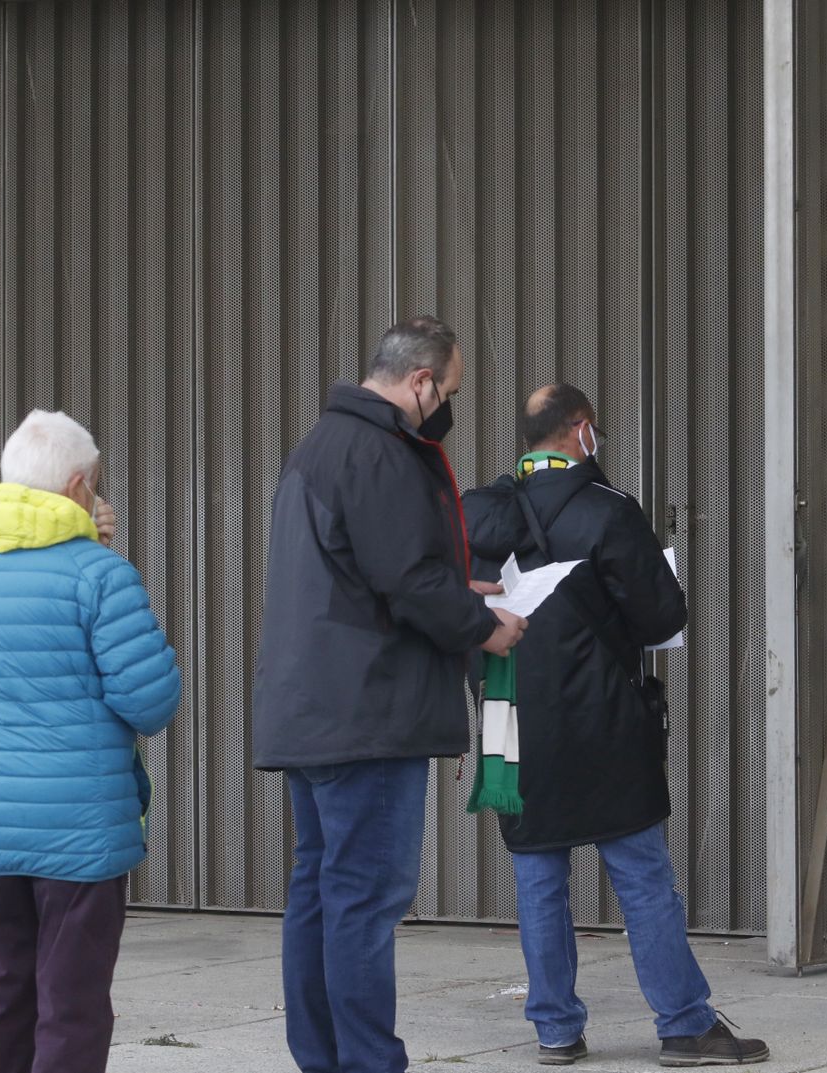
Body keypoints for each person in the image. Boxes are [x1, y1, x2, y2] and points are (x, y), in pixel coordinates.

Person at [462, 384, 769, 1067]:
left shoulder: (482, 518)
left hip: (509, 720)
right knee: (641, 878)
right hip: (601, 718)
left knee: (538, 876)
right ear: (581, 429)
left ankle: (555, 1029)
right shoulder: (607, 510)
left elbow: (461, 621)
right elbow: (663, 618)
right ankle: (685, 1023)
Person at [252, 317, 528, 1073]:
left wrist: (453, 591)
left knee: (320, 891)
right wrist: (482, 623)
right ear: (420, 381)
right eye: (451, 391)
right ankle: (369, 1062)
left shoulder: (321, 445)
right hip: (367, 714)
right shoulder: (382, 452)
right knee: (364, 899)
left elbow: (372, 570)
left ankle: (324, 1057)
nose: (448, 406)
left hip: (316, 709)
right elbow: (406, 580)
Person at [0, 410, 182, 1073]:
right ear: (78, 485)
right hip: (80, 830)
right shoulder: (97, 575)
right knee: (71, 1002)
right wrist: (103, 554)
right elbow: (150, 699)